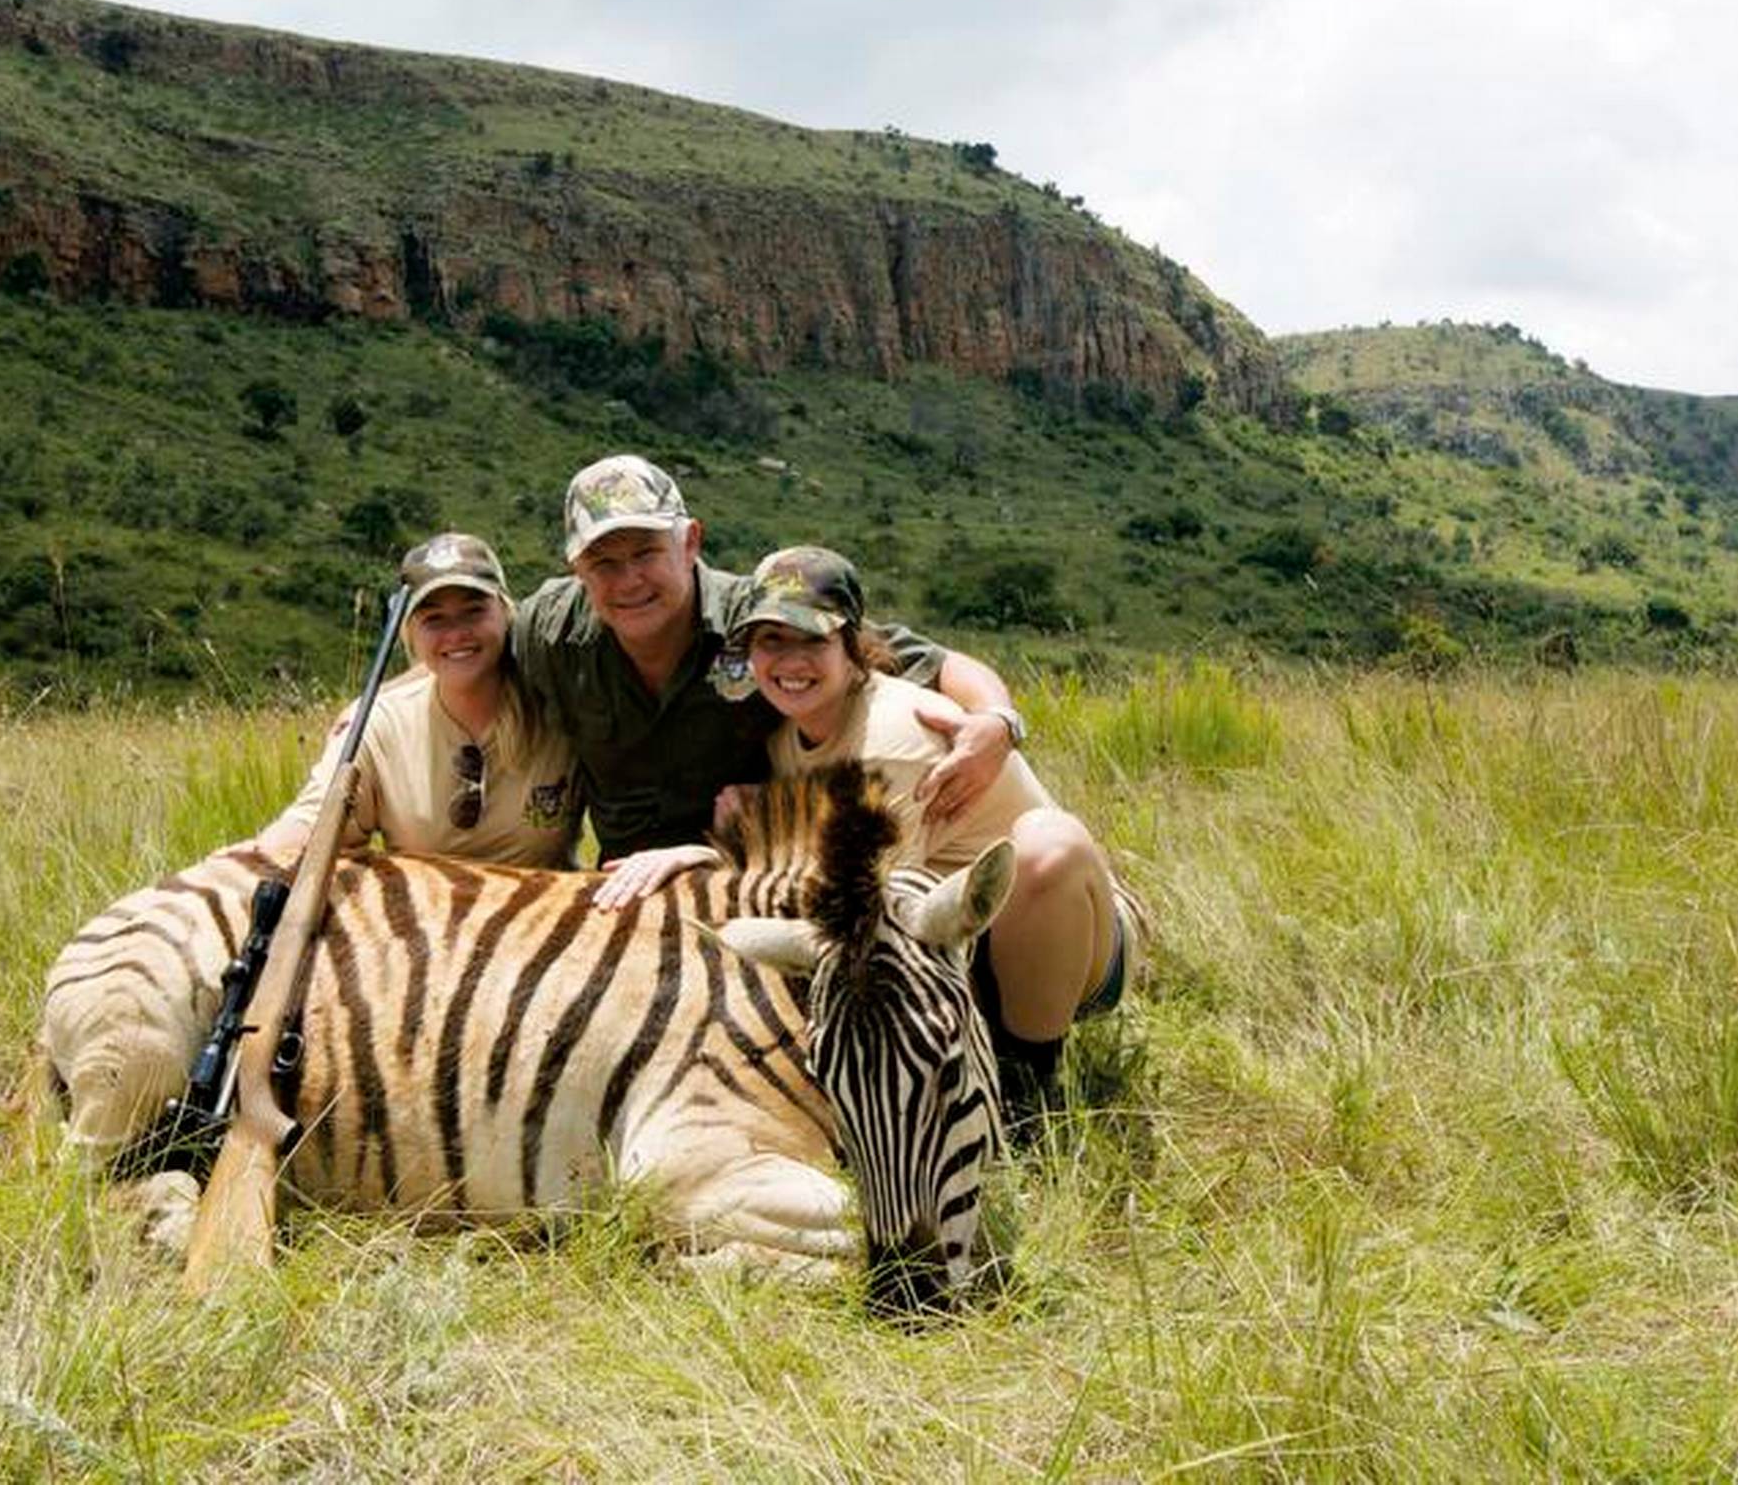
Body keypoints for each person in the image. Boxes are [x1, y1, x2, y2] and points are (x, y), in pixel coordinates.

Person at [728, 544, 1142, 1123]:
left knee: (1048, 846)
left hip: (1063, 944)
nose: (790, 660)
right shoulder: (786, 741)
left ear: (852, 649)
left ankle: (1029, 1089)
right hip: (956, 939)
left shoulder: (893, 736)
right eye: (772, 640)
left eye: (813, 640)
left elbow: (869, 927)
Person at [503, 453, 1028, 906]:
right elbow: (455, 662)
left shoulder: (761, 618)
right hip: (626, 886)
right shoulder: (546, 631)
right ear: (576, 567)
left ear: (690, 542)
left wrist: (997, 722)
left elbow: (934, 662)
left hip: (763, 872)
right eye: (603, 562)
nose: (628, 580)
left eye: (645, 553)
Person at [252, 533, 580, 867]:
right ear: (409, 633)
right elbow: (312, 820)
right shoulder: (378, 725)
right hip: (421, 916)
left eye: (473, 611)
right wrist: (244, 861)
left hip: (545, 913)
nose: (456, 633)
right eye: (434, 618)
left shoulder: (560, 705)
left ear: (506, 612)